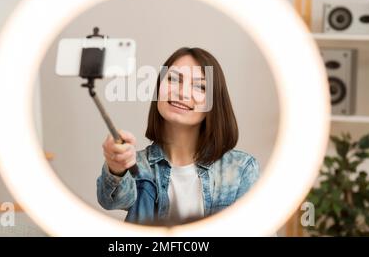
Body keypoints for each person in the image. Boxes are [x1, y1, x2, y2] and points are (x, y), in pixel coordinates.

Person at [97, 47, 259, 226]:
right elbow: (111, 199)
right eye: (173, 79)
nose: (182, 93)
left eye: (200, 86)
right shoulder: (139, 165)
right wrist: (116, 167)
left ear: (214, 102)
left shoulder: (241, 169)